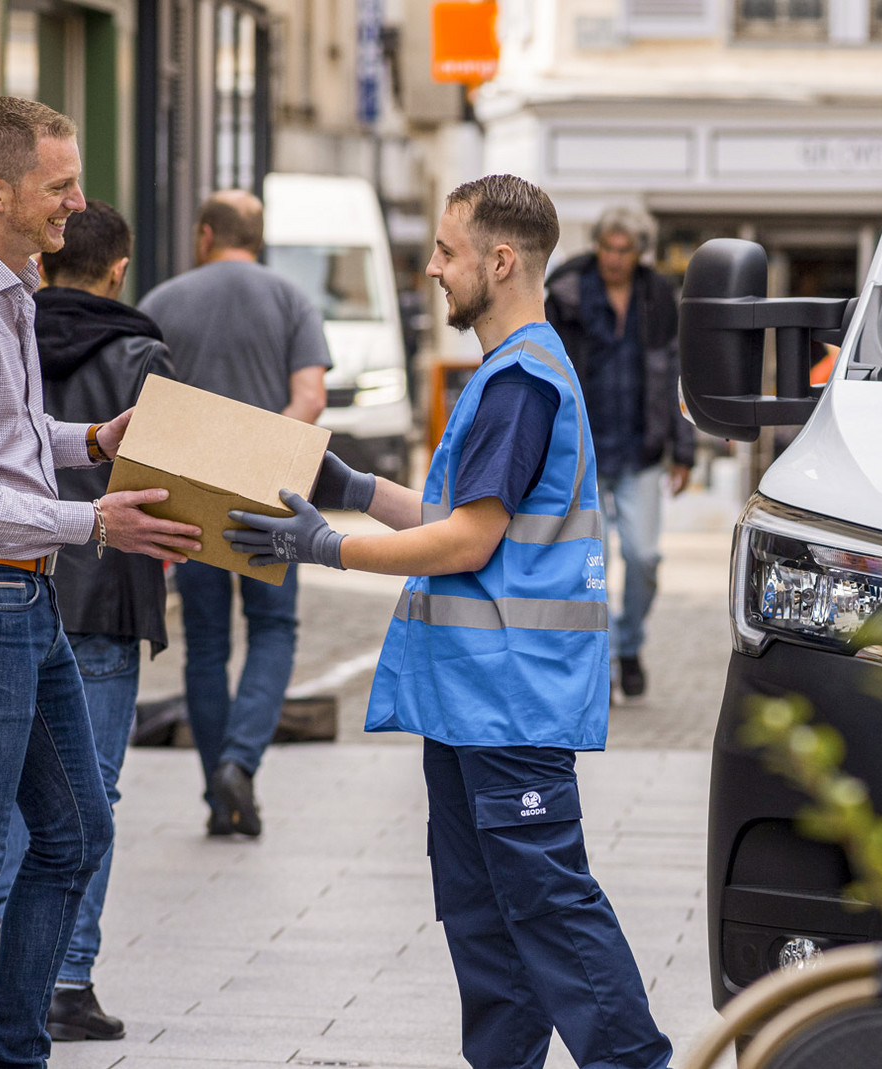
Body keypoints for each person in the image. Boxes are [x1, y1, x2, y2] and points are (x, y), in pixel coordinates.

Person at [227, 175, 673, 1069]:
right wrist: (353, 490)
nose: (432, 269)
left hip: (511, 699)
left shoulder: (521, 383)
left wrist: (327, 549)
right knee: (484, 916)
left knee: (546, 904)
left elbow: (468, 542)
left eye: (445, 251)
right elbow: (451, 511)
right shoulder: (508, 374)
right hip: (479, 701)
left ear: (499, 261)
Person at [0, 96, 201, 1069]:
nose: (78, 203)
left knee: (72, 831)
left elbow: (6, 444)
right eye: (60, 187)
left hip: (15, 594)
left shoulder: (8, 291)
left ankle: (18, 1051)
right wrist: (91, 518)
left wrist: (94, 441)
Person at [0, 199, 175, 1042]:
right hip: (105, 587)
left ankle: (12, 946)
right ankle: (64, 975)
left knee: (4, 786)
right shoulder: (143, 354)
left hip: (5, 575)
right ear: (118, 268)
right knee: (89, 790)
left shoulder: (5, 328)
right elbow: (170, 482)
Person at [137, 191, 330, 838]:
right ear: (257, 236)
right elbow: (311, 396)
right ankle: (241, 764)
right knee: (274, 630)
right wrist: (258, 459)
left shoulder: (162, 301)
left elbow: (142, 405)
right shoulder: (290, 298)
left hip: (190, 498)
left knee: (207, 642)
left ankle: (217, 788)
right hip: (270, 498)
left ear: (205, 233)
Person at [545, 206, 695, 700]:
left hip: (642, 447)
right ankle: (606, 667)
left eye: (623, 249)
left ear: (639, 252)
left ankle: (630, 643)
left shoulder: (658, 296)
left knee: (644, 556)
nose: (613, 257)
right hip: (583, 450)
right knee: (596, 563)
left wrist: (684, 447)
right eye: (606, 247)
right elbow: (549, 372)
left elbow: (675, 371)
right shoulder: (566, 295)